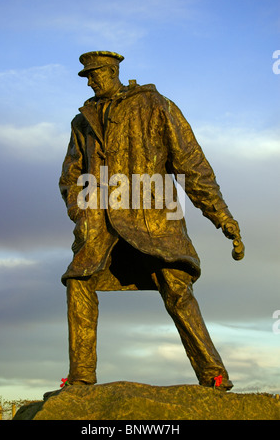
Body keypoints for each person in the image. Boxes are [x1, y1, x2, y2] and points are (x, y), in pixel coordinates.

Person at [59, 51, 244, 390]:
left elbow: (192, 165)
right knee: (78, 281)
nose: (90, 81)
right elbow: (71, 175)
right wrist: (80, 210)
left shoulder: (155, 105)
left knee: (176, 288)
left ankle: (213, 374)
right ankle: (80, 377)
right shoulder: (82, 120)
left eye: (95, 74)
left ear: (113, 70)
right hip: (100, 221)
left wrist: (222, 216)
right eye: (86, 76)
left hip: (153, 218)